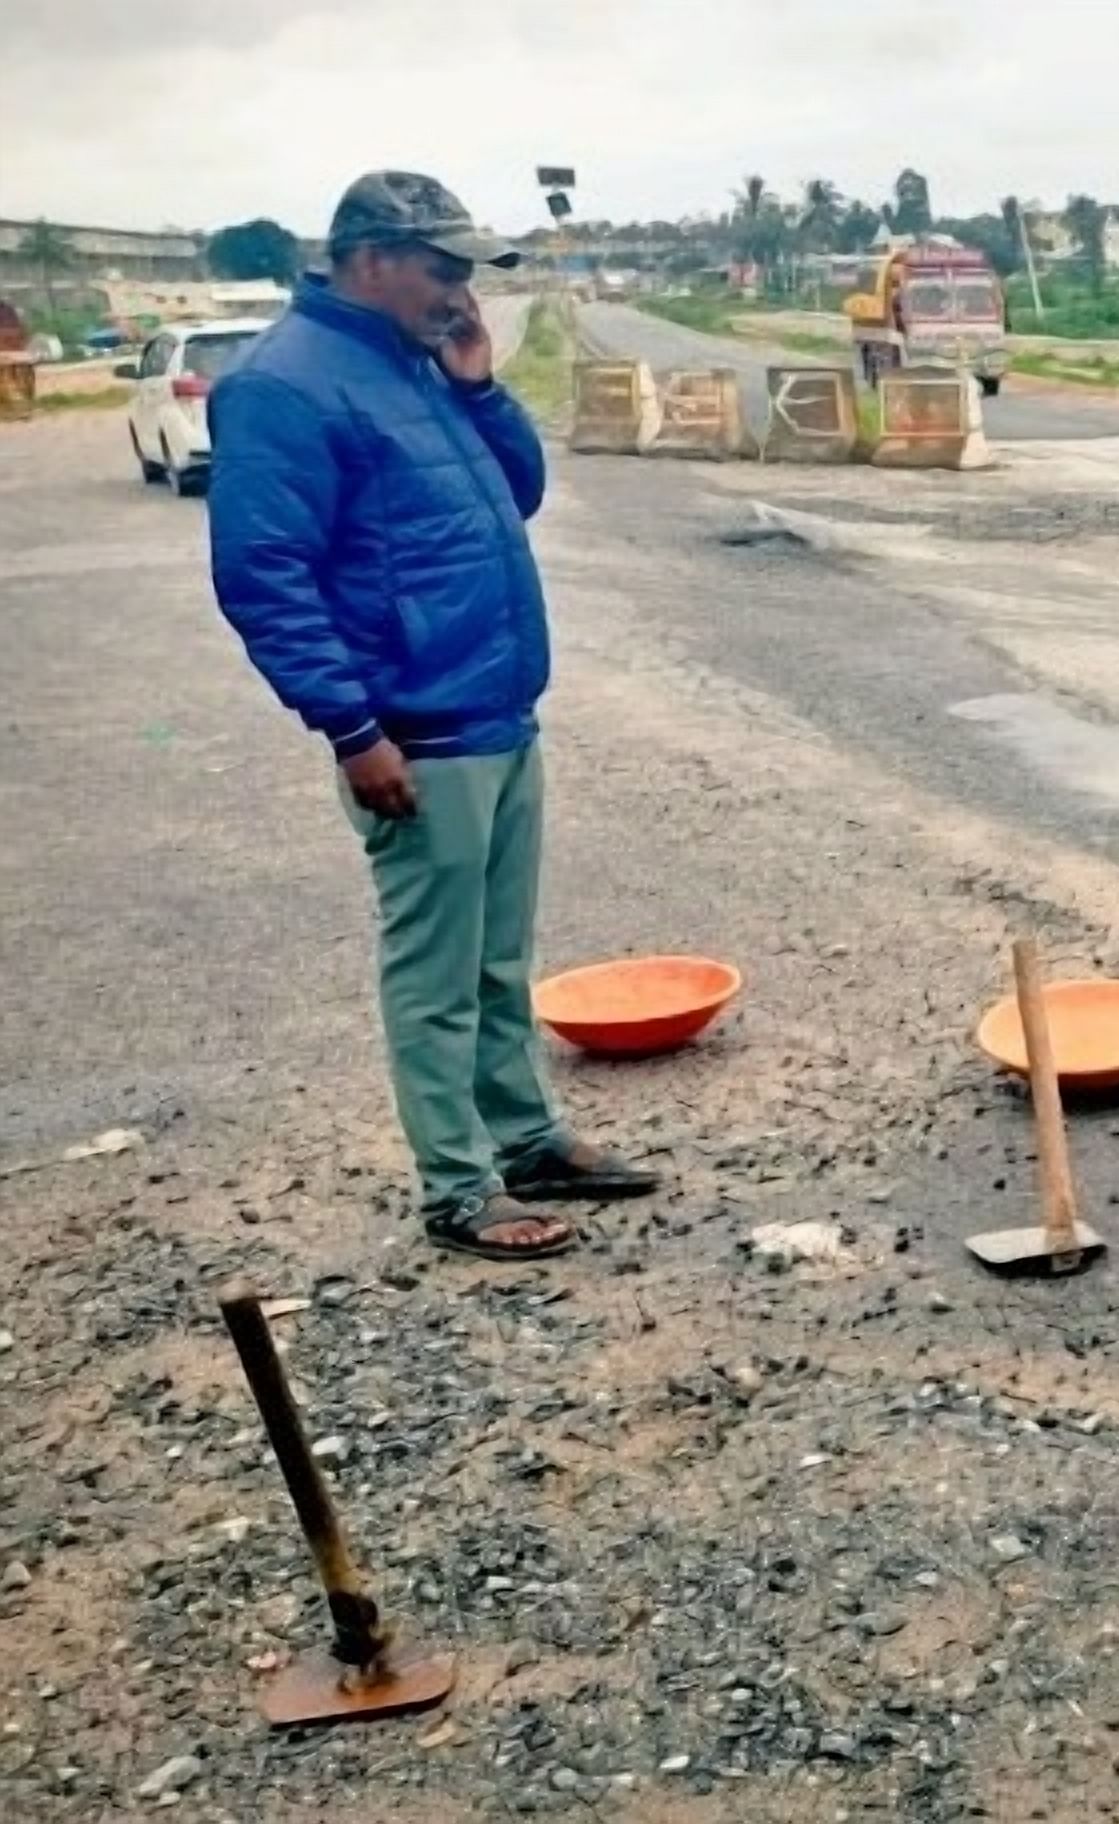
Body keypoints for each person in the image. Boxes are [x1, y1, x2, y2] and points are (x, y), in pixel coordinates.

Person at [207, 171, 657, 1262]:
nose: (461, 290)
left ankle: (526, 1138)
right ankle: (458, 1187)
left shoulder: (418, 367)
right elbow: (264, 574)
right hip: (416, 736)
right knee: (437, 974)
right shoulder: (285, 385)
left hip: (500, 713)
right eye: (443, 267)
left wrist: (479, 385)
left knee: (501, 963)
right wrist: (353, 733)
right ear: (366, 259)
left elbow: (521, 493)